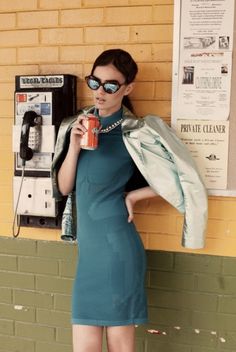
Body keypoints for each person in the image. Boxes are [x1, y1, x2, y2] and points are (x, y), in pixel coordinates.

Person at [52, 49, 208, 352]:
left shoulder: (138, 131)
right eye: (95, 82)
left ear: (128, 88)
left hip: (117, 251)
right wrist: (73, 146)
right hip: (88, 256)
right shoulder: (77, 126)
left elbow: (183, 178)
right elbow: (64, 185)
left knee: (120, 347)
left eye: (111, 86)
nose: (100, 92)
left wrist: (135, 195)